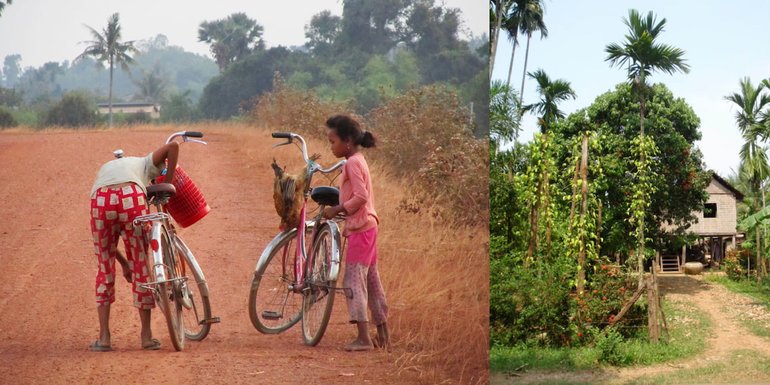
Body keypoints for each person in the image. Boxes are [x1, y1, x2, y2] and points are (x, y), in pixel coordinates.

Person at [88, 141, 179, 352]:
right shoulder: (146, 162)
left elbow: (109, 245)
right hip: (131, 196)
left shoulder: (110, 167)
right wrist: (168, 181)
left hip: (101, 199)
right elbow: (173, 146)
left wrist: (123, 264)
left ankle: (104, 338)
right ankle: (146, 337)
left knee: (104, 265)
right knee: (140, 264)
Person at [322, 114, 390, 351]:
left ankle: (363, 338)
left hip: (362, 228)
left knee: (353, 280)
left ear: (347, 141)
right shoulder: (358, 159)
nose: (331, 146)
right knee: (371, 280)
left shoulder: (351, 163)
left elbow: (360, 196)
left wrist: (338, 209)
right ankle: (383, 335)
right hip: (368, 226)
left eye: (333, 142)